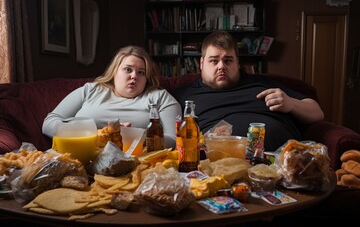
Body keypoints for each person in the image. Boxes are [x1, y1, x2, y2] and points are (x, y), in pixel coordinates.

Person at [174, 31, 324, 151]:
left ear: (237, 63)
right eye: (214, 60)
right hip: (219, 166)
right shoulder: (185, 95)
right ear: (201, 63)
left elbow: (317, 113)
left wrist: (291, 103)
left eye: (228, 60)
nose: (221, 66)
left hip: (283, 162)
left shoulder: (261, 83)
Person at [42, 45, 181, 148]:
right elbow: (49, 123)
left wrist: (134, 136)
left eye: (141, 72)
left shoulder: (160, 98)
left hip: (135, 161)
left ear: (147, 78)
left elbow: (174, 140)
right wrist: (100, 134)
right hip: (81, 154)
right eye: (128, 69)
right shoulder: (90, 90)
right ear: (114, 71)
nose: (134, 76)